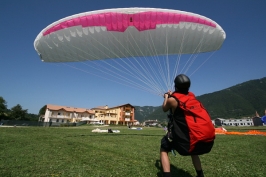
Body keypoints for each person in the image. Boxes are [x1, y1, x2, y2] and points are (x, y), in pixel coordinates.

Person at [160, 74, 209, 177]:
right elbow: (181, 97)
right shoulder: (192, 97)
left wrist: (166, 97)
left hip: (184, 139)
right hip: (196, 137)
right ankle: (200, 174)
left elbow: (164, 108)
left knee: (164, 148)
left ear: (176, 86)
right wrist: (172, 95)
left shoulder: (172, 100)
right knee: (194, 151)